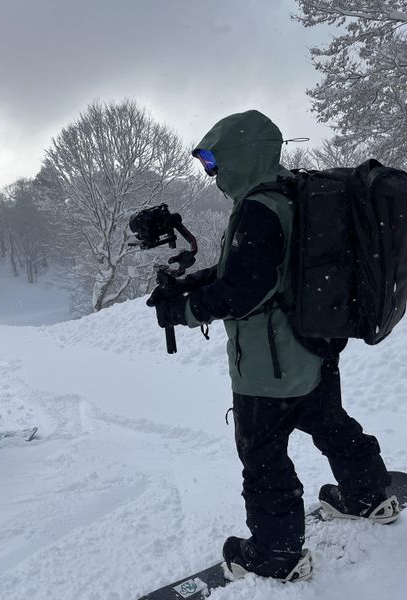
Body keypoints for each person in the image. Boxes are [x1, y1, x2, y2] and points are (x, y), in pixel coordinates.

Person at [147, 110, 399, 582]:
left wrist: (182, 312)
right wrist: (191, 284)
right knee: (332, 423)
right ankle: (369, 496)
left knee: (262, 456)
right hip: (315, 346)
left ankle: (276, 553)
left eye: (214, 161)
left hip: (269, 365)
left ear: (242, 155)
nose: (212, 173)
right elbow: (261, 268)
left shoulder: (258, 207)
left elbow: (244, 290)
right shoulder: (296, 192)